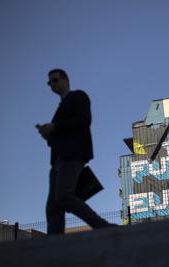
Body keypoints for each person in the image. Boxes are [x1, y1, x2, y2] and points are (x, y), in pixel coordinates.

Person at [36, 68, 115, 235]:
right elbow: (60, 135)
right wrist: (48, 134)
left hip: (73, 155)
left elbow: (84, 120)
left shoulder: (78, 96)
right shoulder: (61, 106)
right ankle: (54, 242)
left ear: (66, 80)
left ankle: (102, 226)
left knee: (64, 196)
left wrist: (54, 127)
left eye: (55, 80)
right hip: (57, 160)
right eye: (49, 82)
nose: (52, 85)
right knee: (53, 207)